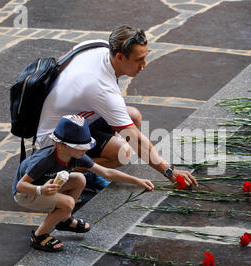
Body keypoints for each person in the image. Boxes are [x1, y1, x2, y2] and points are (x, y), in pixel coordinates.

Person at [36, 25, 198, 191]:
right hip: (54, 139)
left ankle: (88, 162)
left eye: (145, 56)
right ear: (120, 57)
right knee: (123, 152)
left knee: (133, 116)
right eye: (138, 60)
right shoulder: (102, 89)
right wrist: (170, 172)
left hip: (73, 119)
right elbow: (136, 140)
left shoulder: (99, 46)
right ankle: (57, 168)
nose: (144, 64)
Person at [13, 115, 154, 252]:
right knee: (68, 202)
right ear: (61, 145)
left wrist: (137, 180)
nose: (85, 149)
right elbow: (20, 186)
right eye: (80, 146)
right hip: (27, 192)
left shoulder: (76, 155)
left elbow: (106, 172)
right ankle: (39, 236)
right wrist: (40, 190)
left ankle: (64, 220)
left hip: (47, 186)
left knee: (80, 179)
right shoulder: (44, 160)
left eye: (86, 145)